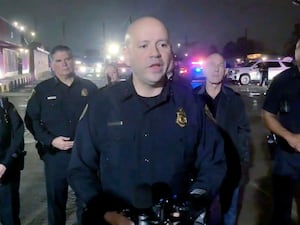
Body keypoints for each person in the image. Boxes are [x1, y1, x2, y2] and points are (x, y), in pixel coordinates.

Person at [68, 16, 226, 225]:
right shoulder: (102, 104)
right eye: (144, 45)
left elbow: (213, 162)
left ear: (170, 52)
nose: (155, 53)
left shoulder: (191, 104)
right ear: (127, 54)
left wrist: (194, 201)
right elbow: (80, 169)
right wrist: (105, 212)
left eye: (162, 44)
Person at [24, 45, 98, 225]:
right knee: (56, 203)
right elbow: (31, 120)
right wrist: (50, 141)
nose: (64, 64)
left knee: (87, 202)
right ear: (51, 65)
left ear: (73, 61)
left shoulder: (90, 88)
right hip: (56, 157)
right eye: (58, 60)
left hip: (84, 156)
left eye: (68, 59)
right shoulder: (42, 90)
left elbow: (100, 121)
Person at [195, 53, 250, 225]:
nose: (216, 69)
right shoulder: (192, 98)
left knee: (230, 212)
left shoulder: (234, 100)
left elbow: (244, 130)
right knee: (200, 214)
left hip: (231, 167)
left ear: (225, 71)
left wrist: (242, 159)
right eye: (212, 64)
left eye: (220, 65)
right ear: (204, 69)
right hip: (201, 170)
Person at [262, 39, 300, 225]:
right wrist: (289, 137)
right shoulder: (282, 81)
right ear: (296, 53)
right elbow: (267, 114)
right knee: (281, 211)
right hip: (286, 158)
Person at [0, 96, 25, 225]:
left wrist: (6, 163)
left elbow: (18, 136)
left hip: (6, 171)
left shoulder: (6, 107)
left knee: (10, 216)